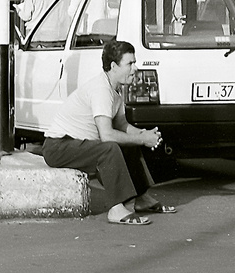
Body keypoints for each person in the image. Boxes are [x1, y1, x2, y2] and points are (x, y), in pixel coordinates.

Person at [41, 38, 171, 226]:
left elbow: (122, 125)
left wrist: (144, 134)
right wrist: (142, 140)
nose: (135, 69)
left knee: (129, 144)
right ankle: (116, 209)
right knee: (109, 149)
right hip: (58, 147)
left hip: (76, 144)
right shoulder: (101, 89)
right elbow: (107, 135)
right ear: (113, 66)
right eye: (130, 64)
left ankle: (141, 198)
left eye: (135, 63)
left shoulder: (115, 91)